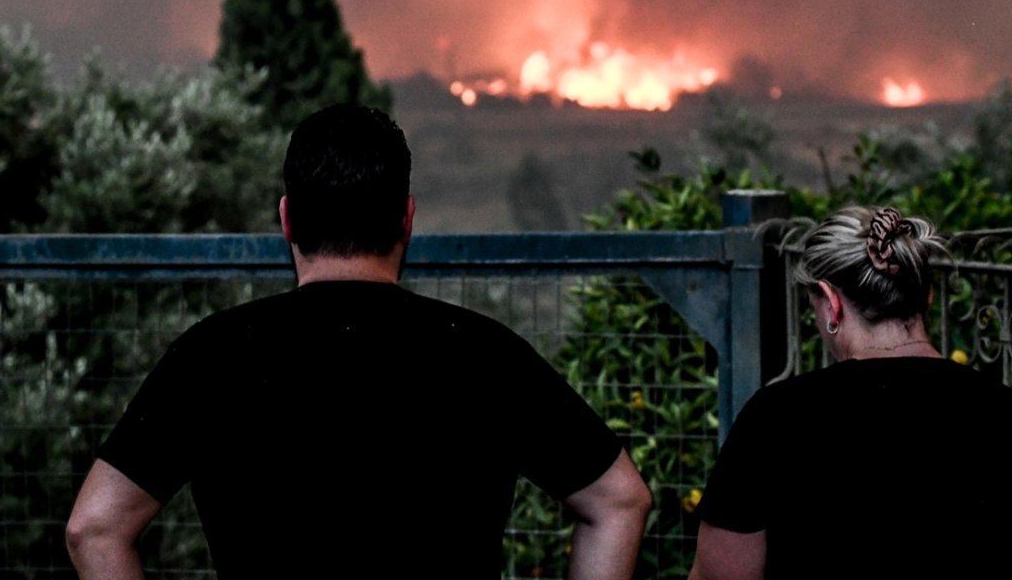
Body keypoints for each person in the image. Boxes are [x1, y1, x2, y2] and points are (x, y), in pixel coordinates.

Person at [67, 104, 651, 580]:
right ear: (406, 219)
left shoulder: (213, 354)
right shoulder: (484, 353)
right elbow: (619, 500)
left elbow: (94, 528)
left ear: (288, 220)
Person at [689, 205, 1012, 580]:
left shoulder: (777, 416)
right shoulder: (1002, 409)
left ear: (831, 303)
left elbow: (720, 575)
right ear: (926, 297)